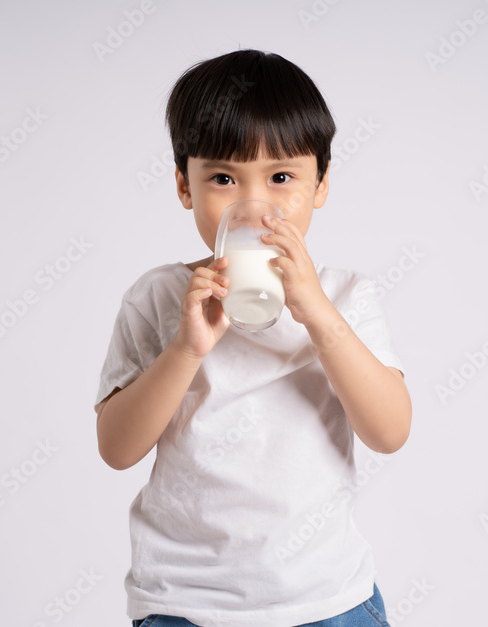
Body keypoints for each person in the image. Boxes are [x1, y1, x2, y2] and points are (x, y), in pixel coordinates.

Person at [95, 49, 411, 627]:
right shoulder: (159, 298)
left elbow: (389, 432)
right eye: (223, 178)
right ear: (184, 186)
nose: (252, 205)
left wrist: (318, 314)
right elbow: (117, 450)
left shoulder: (344, 296)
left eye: (281, 178)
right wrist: (186, 349)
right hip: (185, 603)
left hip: (326, 600)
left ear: (320, 184)